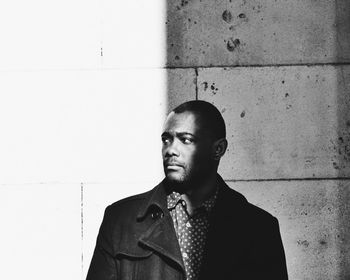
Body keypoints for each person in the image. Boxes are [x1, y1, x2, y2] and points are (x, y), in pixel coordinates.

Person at [86, 100, 288, 280]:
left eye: (186, 140)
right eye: (166, 139)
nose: (171, 150)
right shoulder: (121, 220)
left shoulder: (258, 228)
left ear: (218, 149)